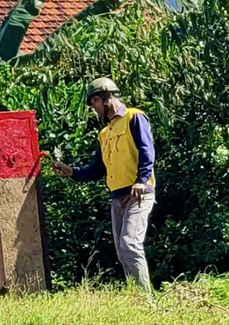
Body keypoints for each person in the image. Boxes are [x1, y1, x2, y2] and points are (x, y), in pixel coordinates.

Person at [49, 77, 156, 291]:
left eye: (94, 103)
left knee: (129, 243)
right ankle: (136, 297)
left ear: (102, 98)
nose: (94, 109)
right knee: (121, 249)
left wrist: (142, 181)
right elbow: (97, 169)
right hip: (117, 196)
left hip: (138, 193)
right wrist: (72, 172)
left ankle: (146, 300)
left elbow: (147, 150)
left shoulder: (134, 117)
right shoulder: (104, 134)